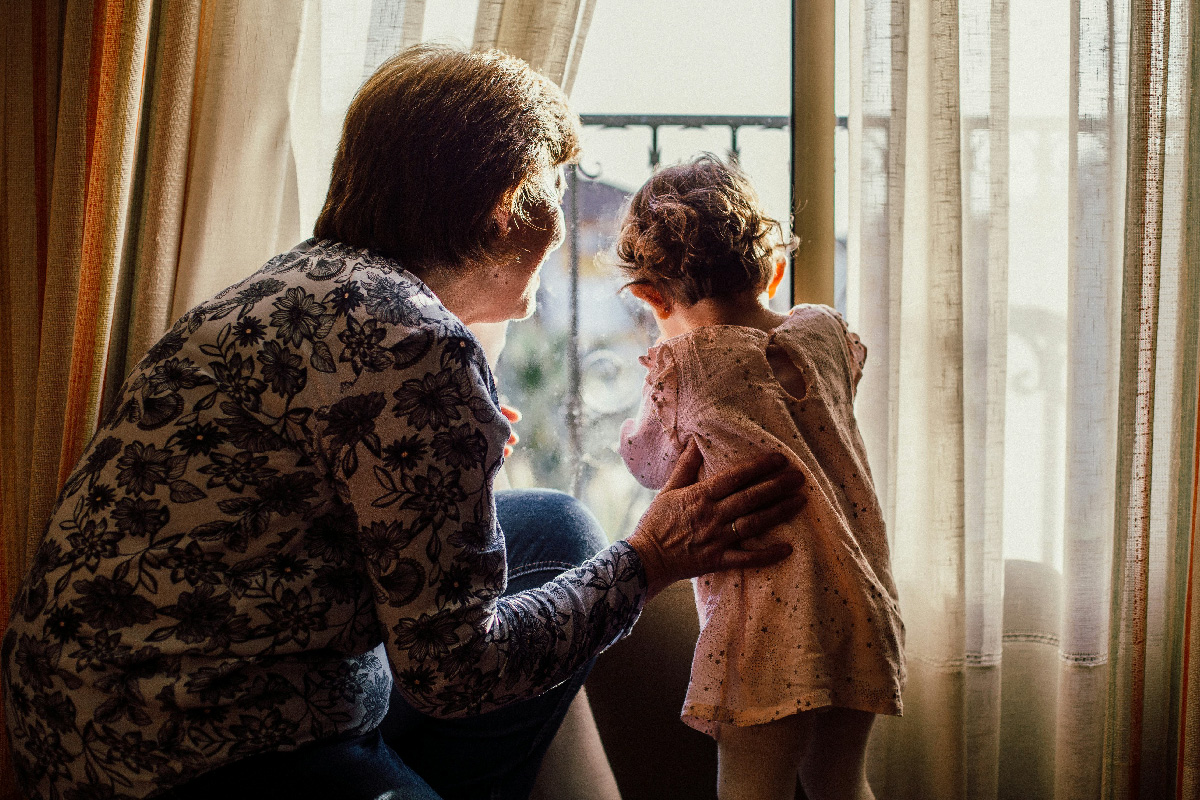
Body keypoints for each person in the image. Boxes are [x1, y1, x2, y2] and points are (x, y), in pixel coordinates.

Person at [0, 48, 805, 800]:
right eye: (553, 194)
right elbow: (456, 670)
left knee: (556, 527)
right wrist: (652, 558)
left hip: (69, 716)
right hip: (201, 759)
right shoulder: (418, 344)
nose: (558, 222)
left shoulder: (295, 283)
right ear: (505, 207)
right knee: (576, 571)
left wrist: (449, 461)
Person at [616, 156, 905, 800]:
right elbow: (838, 394)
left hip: (767, 623)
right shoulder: (824, 331)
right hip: (857, 596)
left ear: (649, 296)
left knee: (752, 788)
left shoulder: (684, 363)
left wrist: (635, 430)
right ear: (774, 269)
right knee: (841, 781)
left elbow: (652, 463)